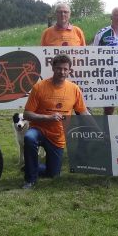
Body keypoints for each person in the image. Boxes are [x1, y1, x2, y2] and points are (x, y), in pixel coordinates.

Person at [22, 54, 90, 189]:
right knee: (29, 138)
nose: (62, 72)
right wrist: (48, 117)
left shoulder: (74, 89)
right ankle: (30, 179)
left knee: (53, 175)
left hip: (58, 136)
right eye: (59, 68)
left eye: (65, 69)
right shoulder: (39, 87)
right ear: (53, 68)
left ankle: (31, 166)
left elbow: (83, 112)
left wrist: (101, 128)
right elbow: (27, 114)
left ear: (70, 70)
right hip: (39, 130)